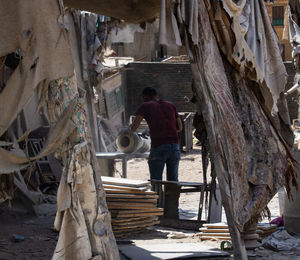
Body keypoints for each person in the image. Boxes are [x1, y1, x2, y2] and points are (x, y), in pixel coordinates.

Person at [130, 87, 182, 181]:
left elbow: (134, 128)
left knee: (156, 181)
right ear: (156, 95)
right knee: (173, 180)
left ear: (144, 97)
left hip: (159, 146)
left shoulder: (145, 106)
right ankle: (172, 196)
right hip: (174, 147)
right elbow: (179, 127)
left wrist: (129, 128)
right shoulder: (170, 105)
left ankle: (158, 196)